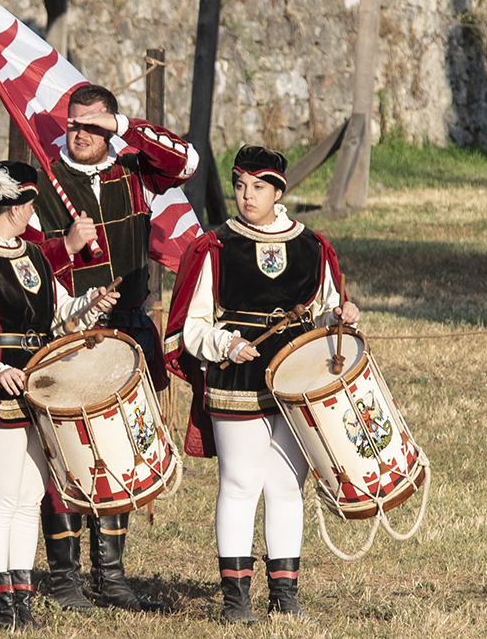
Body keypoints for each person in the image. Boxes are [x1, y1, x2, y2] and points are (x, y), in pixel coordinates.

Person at [165, 146, 359, 625]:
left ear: (278, 191)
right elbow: (190, 327)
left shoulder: (313, 246)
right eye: (240, 186)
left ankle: (285, 598)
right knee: (238, 483)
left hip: (297, 379)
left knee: (287, 485)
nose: (247, 196)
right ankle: (236, 601)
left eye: (259, 187)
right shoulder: (214, 245)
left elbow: (327, 309)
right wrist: (226, 344)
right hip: (238, 376)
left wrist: (343, 315)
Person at [28, 83, 195, 612]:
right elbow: (24, 266)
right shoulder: (41, 182)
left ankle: (111, 574)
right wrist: (65, 248)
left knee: (119, 445)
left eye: (94, 126)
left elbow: (186, 161)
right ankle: (63, 577)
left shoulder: (134, 169)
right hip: (67, 327)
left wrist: (120, 130)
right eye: (75, 124)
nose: (81, 134)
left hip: (127, 325)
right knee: (67, 451)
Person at [0, 161, 117, 633]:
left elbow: (58, 315)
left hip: (41, 388)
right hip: (0, 392)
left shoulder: (32, 254)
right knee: (1, 499)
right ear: (13, 207)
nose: (33, 212)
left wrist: (90, 303)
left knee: (29, 494)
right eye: (29, 203)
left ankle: (21, 597)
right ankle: (0, 607)